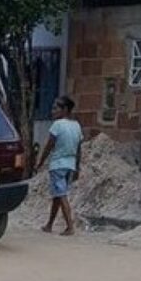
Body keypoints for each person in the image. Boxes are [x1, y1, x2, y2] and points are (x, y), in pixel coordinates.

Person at [35, 96, 82, 236]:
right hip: (70, 165)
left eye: (56, 108)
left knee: (61, 194)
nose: (52, 111)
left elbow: (48, 146)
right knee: (57, 194)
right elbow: (79, 149)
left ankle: (70, 226)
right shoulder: (76, 125)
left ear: (65, 110)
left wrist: (40, 162)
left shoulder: (57, 125)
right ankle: (49, 224)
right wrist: (78, 167)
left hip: (57, 164)